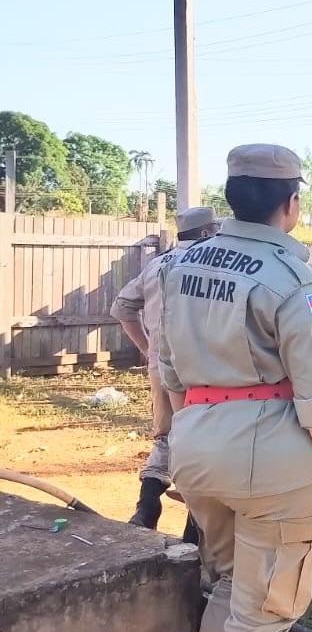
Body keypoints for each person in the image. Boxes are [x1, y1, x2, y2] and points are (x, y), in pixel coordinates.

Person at [158, 144, 312, 632]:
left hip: (194, 443)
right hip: (270, 459)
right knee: (266, 604)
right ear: (290, 203)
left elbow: (168, 369)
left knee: (227, 576)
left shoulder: (182, 265)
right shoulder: (294, 279)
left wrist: (192, 434)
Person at [111, 206, 220, 528]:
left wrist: (147, 349)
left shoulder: (156, 265)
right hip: (204, 370)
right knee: (205, 443)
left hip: (162, 365)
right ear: (205, 234)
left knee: (166, 438)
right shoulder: (213, 264)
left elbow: (122, 308)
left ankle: (146, 508)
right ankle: (193, 530)